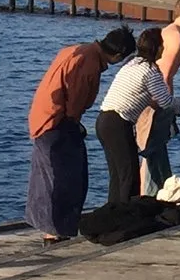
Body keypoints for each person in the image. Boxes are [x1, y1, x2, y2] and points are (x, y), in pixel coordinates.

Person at [25, 25, 136, 241]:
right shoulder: (89, 63)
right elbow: (75, 102)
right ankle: (56, 231)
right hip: (57, 122)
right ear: (118, 55)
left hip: (43, 117)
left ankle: (52, 227)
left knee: (48, 176)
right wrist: (75, 124)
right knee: (68, 177)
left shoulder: (77, 50)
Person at [96, 27, 175, 206]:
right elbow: (165, 102)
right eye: (162, 45)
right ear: (156, 48)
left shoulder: (132, 62)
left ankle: (113, 212)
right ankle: (126, 215)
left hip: (103, 120)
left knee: (117, 174)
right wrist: (178, 103)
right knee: (130, 175)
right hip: (118, 123)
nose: (164, 49)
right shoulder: (150, 71)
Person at [138, 0, 180, 193]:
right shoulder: (176, 37)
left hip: (152, 97)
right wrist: (169, 105)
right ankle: (149, 193)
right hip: (158, 100)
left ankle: (148, 192)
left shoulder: (166, 31)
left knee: (150, 148)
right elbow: (164, 74)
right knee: (153, 147)